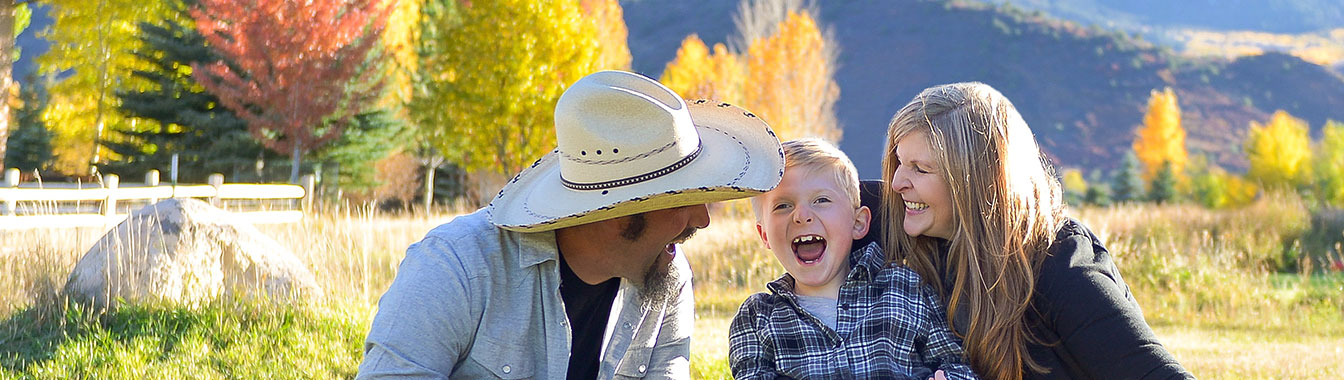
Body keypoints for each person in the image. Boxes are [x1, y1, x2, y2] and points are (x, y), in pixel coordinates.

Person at [356, 70, 784, 379]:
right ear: (616, 213)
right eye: (681, 201)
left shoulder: (668, 278)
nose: (702, 219)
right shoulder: (456, 268)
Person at [880, 82, 1194, 380]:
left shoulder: (1061, 265)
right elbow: (838, 193)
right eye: (898, 163)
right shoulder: (924, 248)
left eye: (920, 169)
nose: (897, 183)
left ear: (976, 180)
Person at [729, 139, 977, 379]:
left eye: (821, 200)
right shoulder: (757, 318)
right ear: (765, 235)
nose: (801, 216)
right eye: (783, 206)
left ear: (858, 223)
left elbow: (957, 364)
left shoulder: (906, 288)